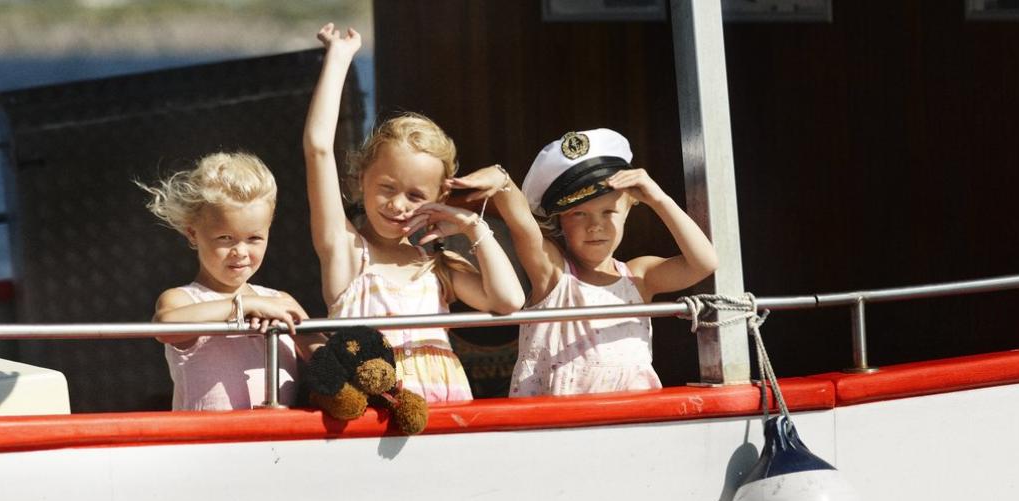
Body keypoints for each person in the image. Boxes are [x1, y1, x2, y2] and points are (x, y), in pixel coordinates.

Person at [304, 24, 524, 403]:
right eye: (386, 188)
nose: (398, 204)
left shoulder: (438, 265)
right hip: (375, 417)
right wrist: (338, 58)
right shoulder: (346, 251)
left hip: (446, 415)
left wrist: (472, 226)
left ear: (440, 196)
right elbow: (318, 149)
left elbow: (509, 301)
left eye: (416, 195)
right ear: (360, 182)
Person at [451, 128, 717, 397]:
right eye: (578, 214)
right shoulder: (553, 273)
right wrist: (503, 182)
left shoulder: (638, 276)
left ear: (629, 208)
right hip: (560, 425)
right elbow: (524, 226)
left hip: (633, 421)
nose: (595, 226)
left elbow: (703, 262)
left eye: (608, 211)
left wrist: (658, 198)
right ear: (559, 221)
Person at [143, 152, 318, 411]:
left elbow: (326, 363)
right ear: (193, 234)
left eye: (254, 238)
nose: (241, 252)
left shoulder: (278, 301)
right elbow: (165, 327)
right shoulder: (182, 299)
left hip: (278, 445)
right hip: (209, 445)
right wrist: (242, 305)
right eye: (225, 238)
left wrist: (296, 327)